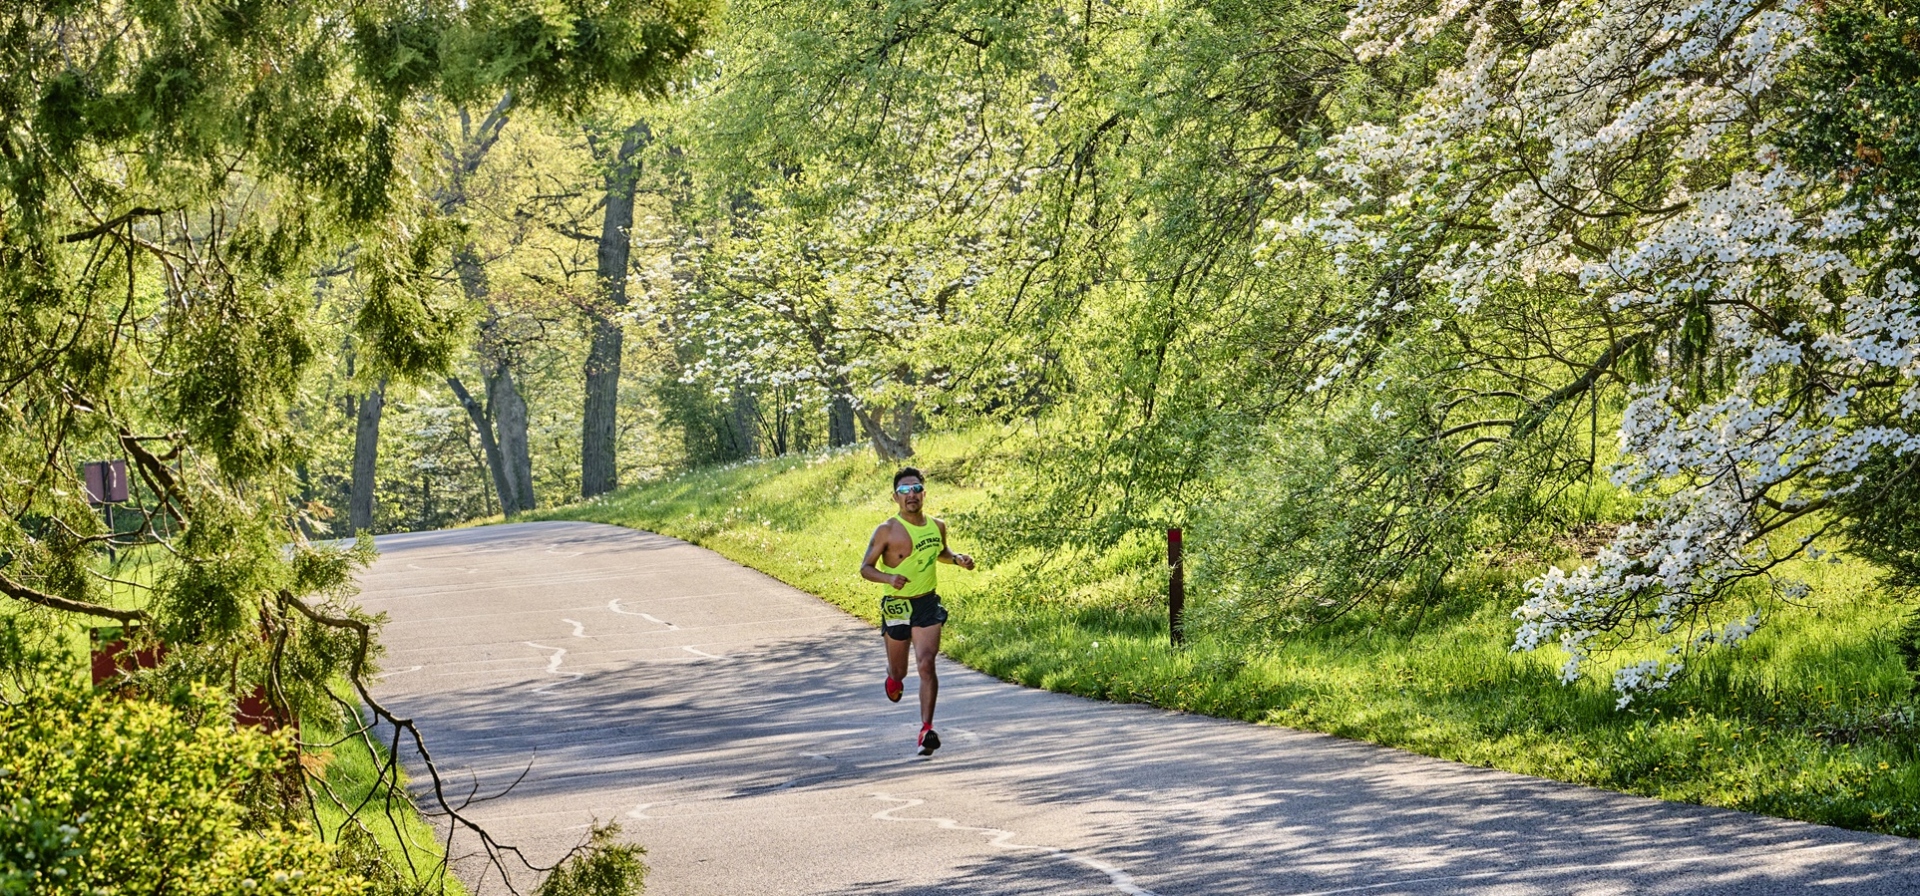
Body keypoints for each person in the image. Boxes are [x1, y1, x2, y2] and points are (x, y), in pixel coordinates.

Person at [860, 466, 974, 755]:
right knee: (901, 671)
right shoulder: (886, 530)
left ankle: (926, 729)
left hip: (926, 603)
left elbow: (941, 552)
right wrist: (889, 578)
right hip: (897, 604)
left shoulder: (937, 526)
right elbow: (865, 568)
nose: (910, 495)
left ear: (924, 493)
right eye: (903, 491)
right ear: (895, 497)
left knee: (926, 663)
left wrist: (958, 559)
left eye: (915, 489)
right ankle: (893, 677)